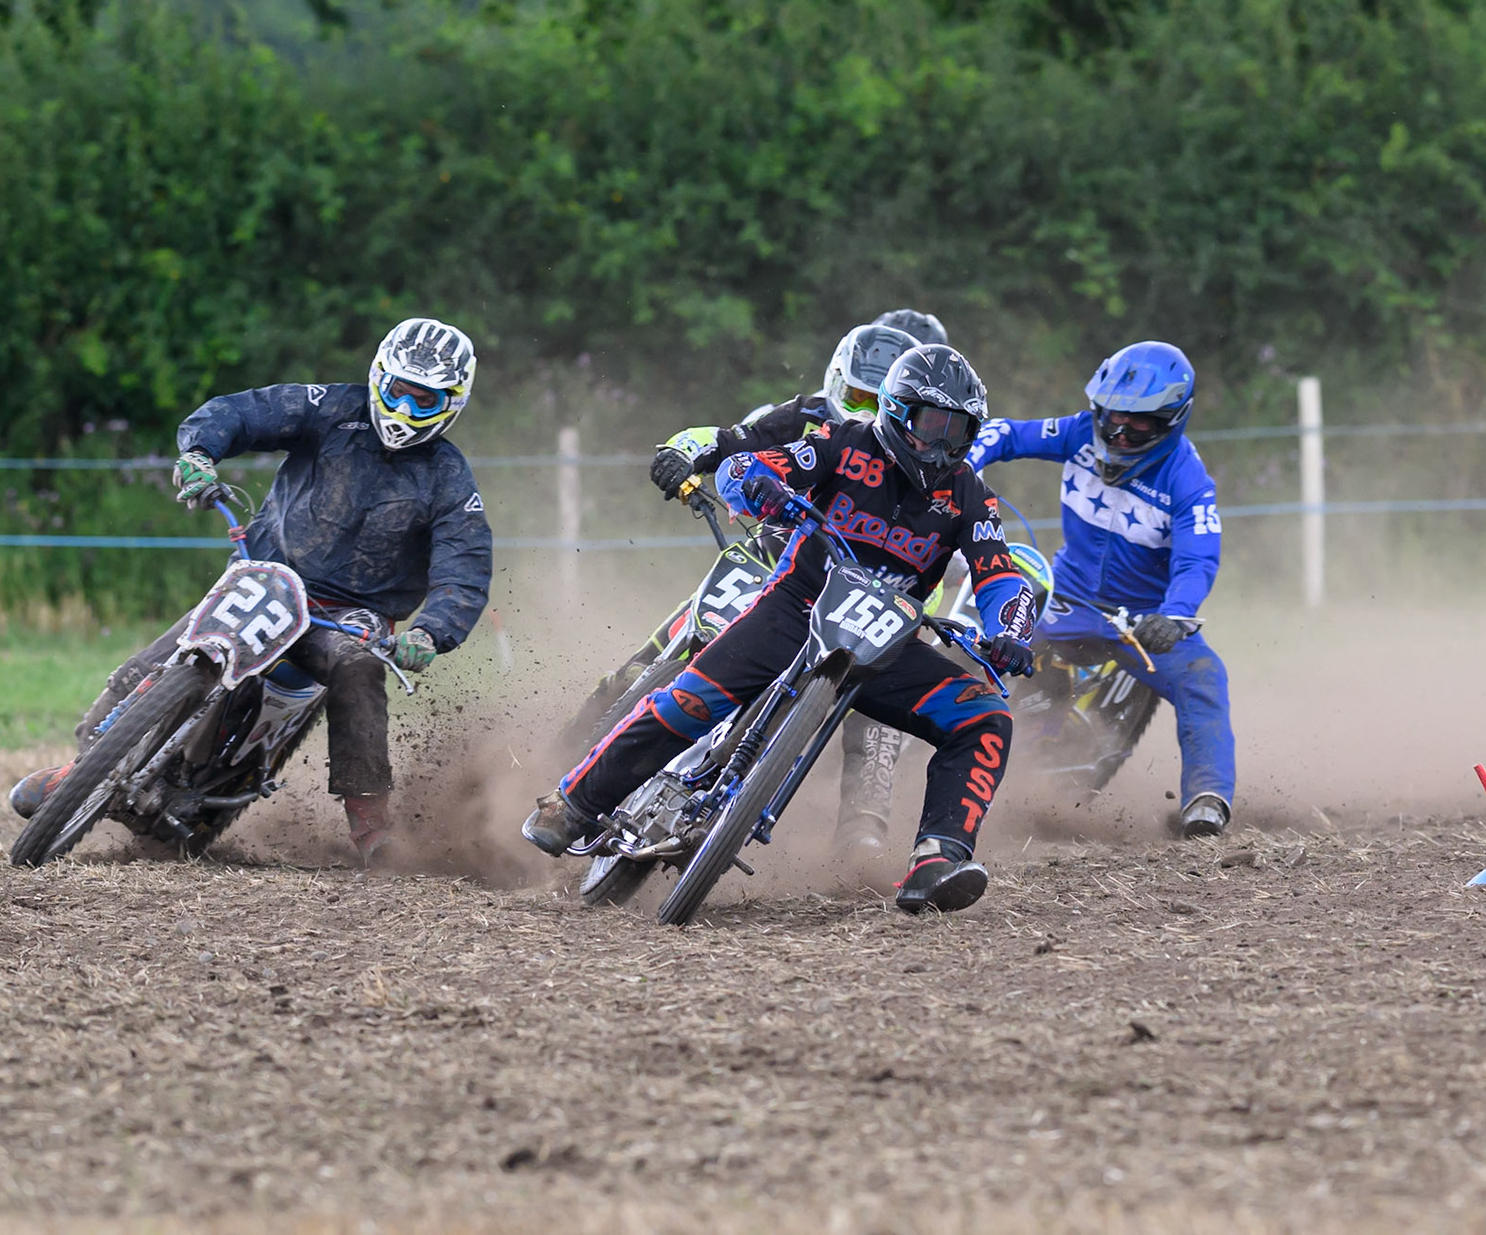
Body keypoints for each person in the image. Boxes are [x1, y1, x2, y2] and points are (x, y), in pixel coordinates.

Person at [525, 345, 1038, 914]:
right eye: (932, 423)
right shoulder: (843, 445)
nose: (943, 442)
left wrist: (1010, 631)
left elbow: (1000, 575)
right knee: (688, 700)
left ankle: (938, 858)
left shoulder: (969, 493)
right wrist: (763, 483)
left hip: (886, 640)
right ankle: (573, 801)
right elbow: (749, 465)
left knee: (986, 715)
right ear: (895, 412)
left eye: (958, 429)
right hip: (794, 607)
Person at [7, 317, 494, 862]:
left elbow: (465, 565)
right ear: (378, 376)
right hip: (268, 576)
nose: (404, 411)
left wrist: (431, 633)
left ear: (452, 403)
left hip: (353, 613)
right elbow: (242, 412)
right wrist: (199, 454)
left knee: (358, 666)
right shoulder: (329, 408)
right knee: (173, 647)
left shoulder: (449, 478)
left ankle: (370, 823)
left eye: (424, 401)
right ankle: (82, 769)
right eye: (398, 392)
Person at [644, 311, 945, 852]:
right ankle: (586, 736)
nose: (867, 415)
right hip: (769, 563)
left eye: (882, 405)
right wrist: (680, 451)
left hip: (860, 597)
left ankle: (862, 829)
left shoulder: (930, 466)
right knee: (668, 636)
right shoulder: (797, 416)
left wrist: (911, 614)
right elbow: (729, 442)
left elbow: (934, 568)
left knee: (876, 702)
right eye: (856, 397)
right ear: (834, 382)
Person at [967, 340, 1236, 838]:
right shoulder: (1078, 433)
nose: (1118, 431)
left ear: (1172, 420)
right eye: (1111, 416)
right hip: (1065, 600)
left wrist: (1175, 614)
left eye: (1138, 423)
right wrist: (962, 469)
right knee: (977, 655)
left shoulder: (1188, 481)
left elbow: (1198, 559)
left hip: (1140, 622)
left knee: (1205, 679)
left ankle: (1207, 798)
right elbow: (1002, 434)